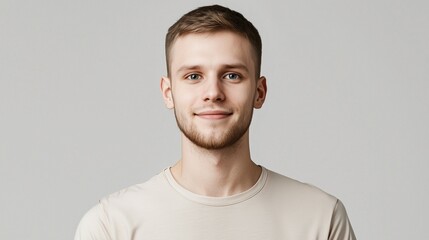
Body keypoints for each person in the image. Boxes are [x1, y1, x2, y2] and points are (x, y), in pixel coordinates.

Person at [74, 5, 356, 240]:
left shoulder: (321, 219)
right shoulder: (111, 226)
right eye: (193, 76)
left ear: (259, 92)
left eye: (232, 75)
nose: (213, 93)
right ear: (168, 92)